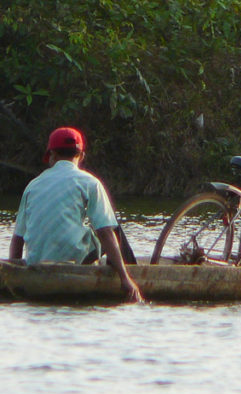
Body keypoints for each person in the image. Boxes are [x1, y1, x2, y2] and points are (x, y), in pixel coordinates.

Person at [10, 126, 143, 302]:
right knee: (114, 230)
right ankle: (129, 275)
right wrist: (125, 278)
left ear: (52, 156)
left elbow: (17, 239)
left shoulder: (33, 185)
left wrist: (13, 274)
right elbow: (104, 232)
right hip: (73, 261)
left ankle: (121, 271)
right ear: (81, 156)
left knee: (100, 230)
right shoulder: (89, 182)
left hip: (36, 262)